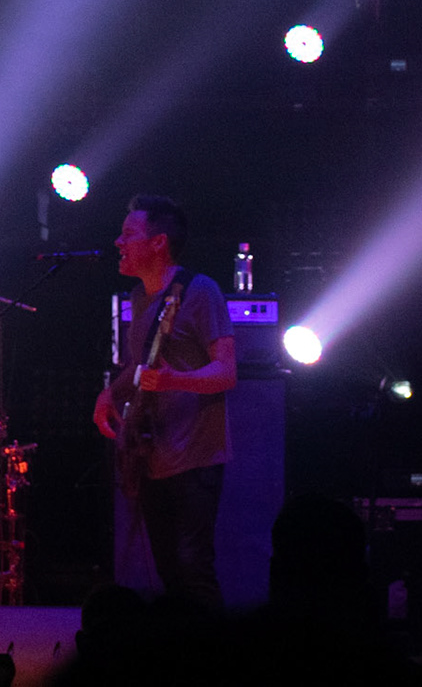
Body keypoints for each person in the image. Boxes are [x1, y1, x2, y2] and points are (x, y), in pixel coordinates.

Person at [92, 194, 236, 610]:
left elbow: (226, 372)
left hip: (195, 457)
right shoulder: (139, 297)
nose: (118, 243)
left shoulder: (200, 291)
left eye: (128, 234)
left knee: (194, 568)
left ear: (158, 242)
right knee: (169, 572)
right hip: (153, 456)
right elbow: (140, 366)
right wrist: (109, 393)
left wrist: (176, 380)